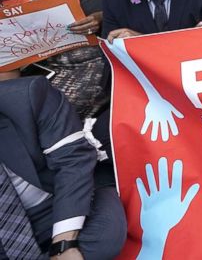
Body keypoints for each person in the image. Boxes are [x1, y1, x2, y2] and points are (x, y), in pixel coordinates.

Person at [0, 74, 127, 260]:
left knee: (106, 235)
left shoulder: (28, 95)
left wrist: (64, 243)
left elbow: (74, 160)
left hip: (57, 201)